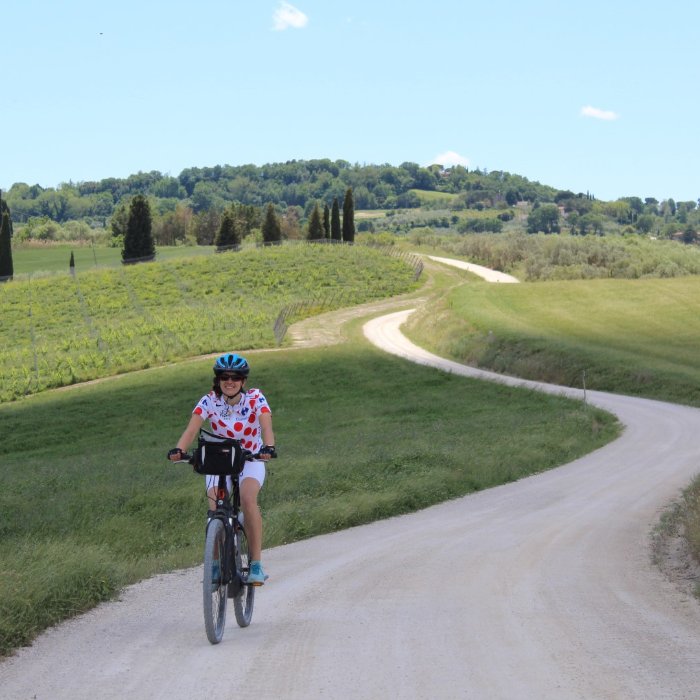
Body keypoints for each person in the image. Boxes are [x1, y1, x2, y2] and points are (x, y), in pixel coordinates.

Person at [168, 352, 276, 585]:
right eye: (224, 377)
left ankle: (256, 564)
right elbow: (191, 430)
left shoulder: (256, 399)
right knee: (215, 508)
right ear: (217, 380)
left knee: (248, 500)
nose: (229, 381)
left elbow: (266, 425)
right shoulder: (208, 401)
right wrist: (179, 449)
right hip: (220, 460)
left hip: (251, 458)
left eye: (235, 377)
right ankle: (215, 564)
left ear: (243, 381)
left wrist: (268, 447)